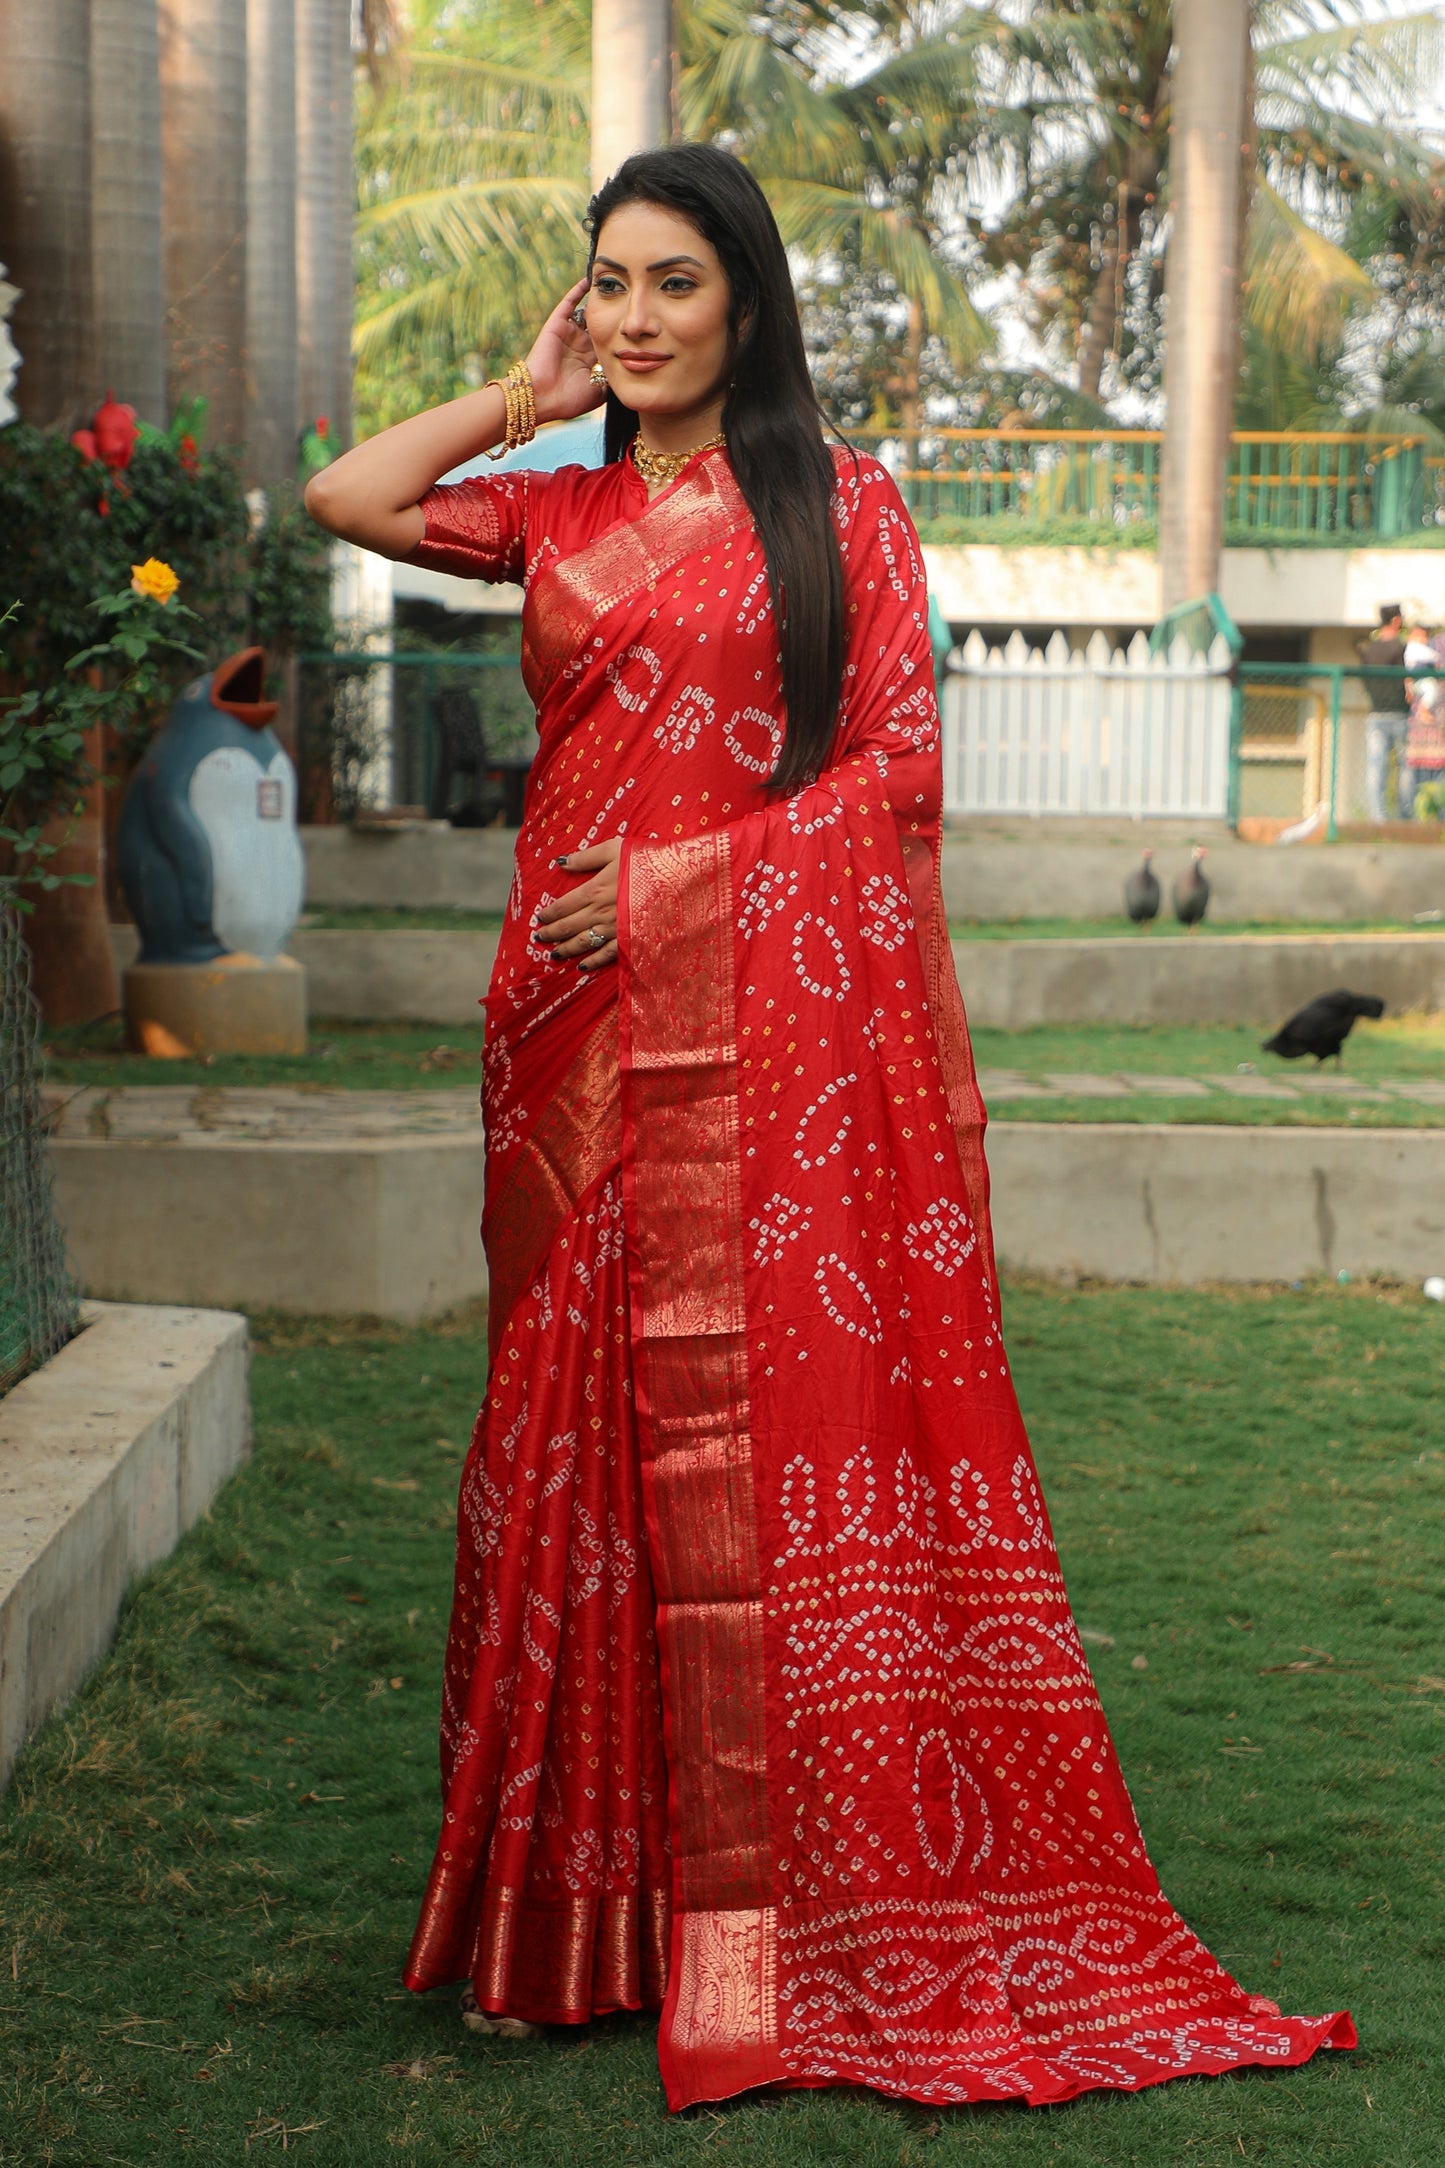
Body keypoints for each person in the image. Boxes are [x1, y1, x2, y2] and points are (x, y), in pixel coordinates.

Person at [305, 142, 1351, 2114]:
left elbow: (891, 773)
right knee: (562, 1438)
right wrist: (517, 396)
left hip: (732, 1021)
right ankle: (572, 1921)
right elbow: (346, 495)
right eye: (603, 280)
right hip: (565, 1026)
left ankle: (756, 1920)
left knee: (734, 1445)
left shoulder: (838, 508)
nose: (630, 314)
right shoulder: (546, 506)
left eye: (669, 283)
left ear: (745, 307)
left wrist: (689, 881)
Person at [1360, 604, 1410, 820]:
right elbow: (1407, 681)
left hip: (1376, 713)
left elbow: (1364, 681)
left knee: (1376, 767)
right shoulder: (1401, 648)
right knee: (1407, 767)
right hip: (1400, 714)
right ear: (1396, 620)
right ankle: (1406, 816)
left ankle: (1378, 817)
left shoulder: (1367, 650)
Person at [1403, 622, 1445, 818]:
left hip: (1434, 723)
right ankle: (1419, 819)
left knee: (1434, 778)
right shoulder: (1422, 648)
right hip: (1423, 725)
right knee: (1420, 777)